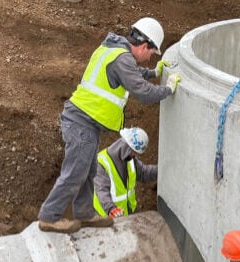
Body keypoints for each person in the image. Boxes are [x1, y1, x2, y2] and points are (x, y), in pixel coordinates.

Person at [37, 17, 181, 233]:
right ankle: (49, 217)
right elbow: (143, 92)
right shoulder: (122, 59)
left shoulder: (113, 50)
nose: (150, 58)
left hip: (85, 122)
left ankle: (84, 213)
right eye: (152, 53)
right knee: (75, 172)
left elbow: (130, 73)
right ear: (144, 45)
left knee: (88, 171)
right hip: (81, 122)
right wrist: (168, 89)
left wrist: (153, 73)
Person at [92, 127, 156, 218]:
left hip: (127, 213)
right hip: (107, 217)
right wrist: (111, 209)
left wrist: (161, 170)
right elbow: (101, 190)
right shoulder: (101, 162)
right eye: (133, 152)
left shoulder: (129, 159)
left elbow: (143, 173)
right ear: (126, 147)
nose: (134, 156)